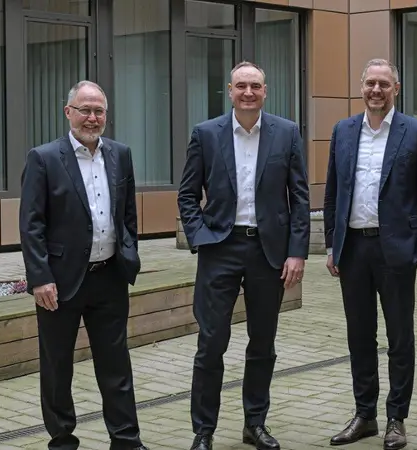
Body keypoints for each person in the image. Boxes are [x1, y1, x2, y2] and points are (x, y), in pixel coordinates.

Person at [177, 61, 310, 450]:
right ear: (230, 91)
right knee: (211, 342)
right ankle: (203, 431)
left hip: (268, 251)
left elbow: (299, 197)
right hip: (220, 247)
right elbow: (187, 194)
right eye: (241, 86)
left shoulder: (286, 133)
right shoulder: (206, 134)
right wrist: (199, 237)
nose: (248, 92)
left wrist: (297, 251)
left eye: (255, 86)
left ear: (265, 91)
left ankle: (255, 423)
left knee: (262, 343)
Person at [19, 80, 148, 450]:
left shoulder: (120, 154)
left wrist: (129, 254)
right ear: (68, 112)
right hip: (59, 283)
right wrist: (40, 278)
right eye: (85, 110)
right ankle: (62, 439)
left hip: (109, 276)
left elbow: (128, 215)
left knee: (116, 364)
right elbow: (31, 225)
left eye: (98, 111)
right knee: (58, 367)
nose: (92, 118)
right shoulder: (43, 158)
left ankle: (126, 439)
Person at [323, 58, 417, 450]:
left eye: (384, 84)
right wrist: (331, 244)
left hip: (396, 251)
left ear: (396, 87)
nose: (376, 90)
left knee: (399, 337)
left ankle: (396, 418)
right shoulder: (343, 130)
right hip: (353, 249)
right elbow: (332, 194)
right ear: (362, 87)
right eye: (370, 83)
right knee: (359, 335)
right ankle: (364, 415)